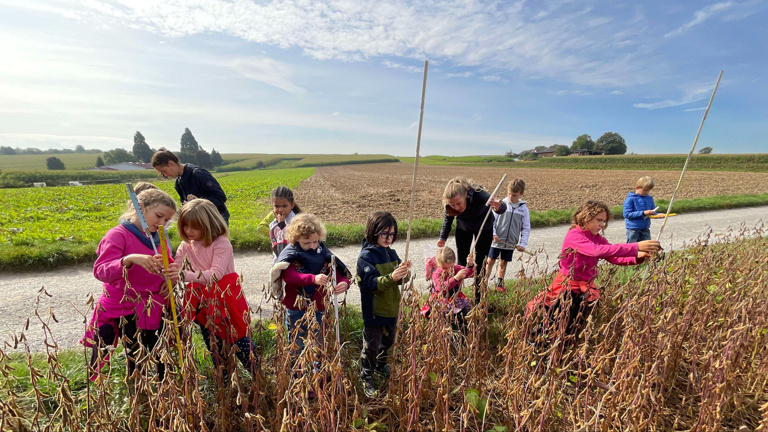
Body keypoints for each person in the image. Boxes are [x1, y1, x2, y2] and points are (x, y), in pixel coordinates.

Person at [527, 200, 661, 345]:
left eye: (604, 221)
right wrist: (635, 246)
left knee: (573, 328)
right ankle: (535, 350)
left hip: (584, 290)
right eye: (599, 220)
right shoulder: (574, 235)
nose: (602, 225)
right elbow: (595, 251)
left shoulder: (597, 238)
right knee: (552, 324)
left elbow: (613, 257)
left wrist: (637, 256)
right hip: (566, 289)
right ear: (586, 217)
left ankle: (560, 352)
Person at [82, 189, 178, 380]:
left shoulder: (158, 237)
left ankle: (166, 390)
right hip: (126, 307)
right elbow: (101, 270)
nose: (162, 223)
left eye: (166, 220)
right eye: (159, 216)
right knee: (135, 354)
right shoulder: (118, 235)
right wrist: (129, 259)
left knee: (161, 352)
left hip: (155, 306)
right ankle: (139, 392)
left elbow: (168, 264)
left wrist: (172, 279)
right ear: (140, 208)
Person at [175, 199, 256, 378]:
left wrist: (182, 275)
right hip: (203, 303)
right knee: (214, 345)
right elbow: (177, 267)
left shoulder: (221, 243)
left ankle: (259, 379)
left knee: (240, 340)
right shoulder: (185, 245)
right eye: (185, 226)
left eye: (194, 227)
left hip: (226, 300)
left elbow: (215, 274)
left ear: (209, 224)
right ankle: (226, 384)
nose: (189, 231)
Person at [269, 214, 351, 373]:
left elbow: (336, 270)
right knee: (297, 345)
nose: (312, 246)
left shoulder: (323, 252)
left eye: (315, 241)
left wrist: (343, 283)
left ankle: (319, 376)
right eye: (306, 243)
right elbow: (290, 276)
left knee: (320, 344)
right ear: (295, 239)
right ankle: (298, 378)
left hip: (320, 307)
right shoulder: (291, 254)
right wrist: (312, 279)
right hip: (296, 309)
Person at [356, 211, 411, 397]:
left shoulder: (392, 253)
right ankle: (366, 375)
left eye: (392, 234)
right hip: (374, 311)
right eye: (385, 234)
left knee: (388, 341)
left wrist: (404, 273)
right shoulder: (366, 257)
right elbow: (372, 284)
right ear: (373, 232)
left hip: (391, 308)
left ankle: (380, 366)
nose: (389, 238)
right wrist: (392, 276)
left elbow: (399, 282)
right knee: (372, 344)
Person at [437, 177, 503, 302]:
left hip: (484, 229)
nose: (456, 207)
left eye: (458, 203)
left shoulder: (478, 194)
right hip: (463, 229)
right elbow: (448, 221)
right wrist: (443, 238)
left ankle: (479, 297)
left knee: (481, 263)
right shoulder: (450, 204)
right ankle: (455, 297)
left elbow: (500, 207)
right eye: (452, 204)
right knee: (462, 265)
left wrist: (499, 206)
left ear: (466, 195)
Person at [151, 150, 230, 223]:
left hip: (216, 221)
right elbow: (185, 203)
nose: (165, 175)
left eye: (164, 171)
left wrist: (199, 204)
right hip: (200, 223)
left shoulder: (198, 174)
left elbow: (220, 197)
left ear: (171, 163)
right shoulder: (178, 183)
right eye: (162, 174)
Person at [485, 178, 531, 293]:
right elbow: (492, 221)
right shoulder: (501, 205)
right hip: (496, 240)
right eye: (509, 193)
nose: (511, 197)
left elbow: (526, 228)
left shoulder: (523, 209)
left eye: (514, 195)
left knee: (503, 262)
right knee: (490, 260)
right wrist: (493, 234)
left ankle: (499, 283)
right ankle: (483, 283)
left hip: (510, 242)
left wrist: (522, 243)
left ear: (521, 194)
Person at [420, 247, 475, 329]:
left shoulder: (457, 268)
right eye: (445, 268)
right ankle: (445, 326)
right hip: (441, 298)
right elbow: (440, 288)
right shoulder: (436, 273)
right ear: (438, 264)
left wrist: (470, 266)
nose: (449, 270)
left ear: (454, 261)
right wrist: (455, 278)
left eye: (451, 267)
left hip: (455, 296)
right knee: (443, 313)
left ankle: (463, 325)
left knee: (468, 308)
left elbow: (471, 274)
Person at [257, 186, 301, 261]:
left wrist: (282, 225)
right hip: (278, 258)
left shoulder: (298, 220)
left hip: (294, 259)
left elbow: (293, 240)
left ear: (292, 205)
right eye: (276, 206)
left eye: (284, 206)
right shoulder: (273, 222)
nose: (280, 209)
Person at [623, 176, 664, 243]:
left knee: (647, 247)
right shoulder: (630, 199)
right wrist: (643, 213)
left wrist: (657, 215)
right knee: (632, 248)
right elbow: (627, 214)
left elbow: (652, 212)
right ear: (637, 188)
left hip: (645, 228)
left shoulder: (649, 198)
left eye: (648, 190)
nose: (646, 192)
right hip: (633, 229)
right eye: (645, 190)